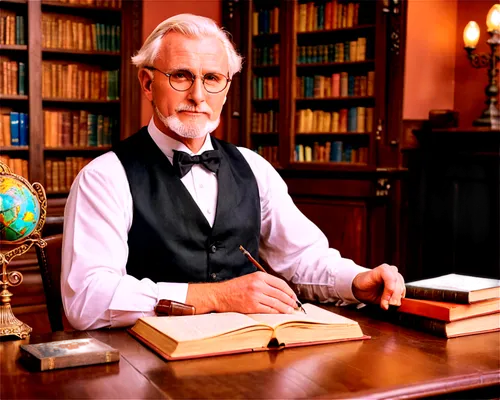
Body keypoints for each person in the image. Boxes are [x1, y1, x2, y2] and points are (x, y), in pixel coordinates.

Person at [61, 14, 405, 330]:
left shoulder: (255, 168)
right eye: (181, 76)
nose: (198, 95)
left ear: (226, 88)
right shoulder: (103, 177)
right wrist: (216, 297)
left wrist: (357, 280)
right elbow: (86, 301)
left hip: (250, 356)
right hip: (147, 368)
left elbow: (302, 257)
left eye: (211, 78)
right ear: (148, 84)